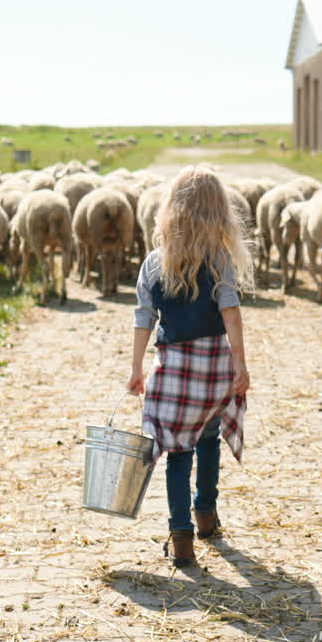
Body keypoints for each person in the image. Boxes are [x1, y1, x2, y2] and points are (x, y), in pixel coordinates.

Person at [128, 166, 253, 568]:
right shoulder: (220, 260)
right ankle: (206, 514)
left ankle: (180, 535)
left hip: (175, 366)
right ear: (220, 212)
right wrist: (240, 364)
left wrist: (136, 369)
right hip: (213, 368)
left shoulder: (154, 263)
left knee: (177, 451)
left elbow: (143, 317)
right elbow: (231, 312)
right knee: (208, 438)